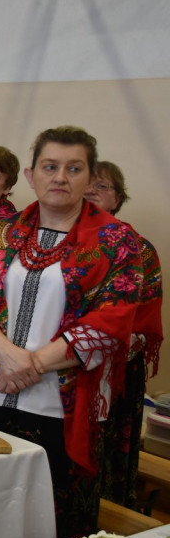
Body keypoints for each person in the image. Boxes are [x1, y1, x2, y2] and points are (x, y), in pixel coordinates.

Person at [0, 126, 142, 538]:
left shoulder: (117, 242)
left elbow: (113, 322)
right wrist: (6, 354)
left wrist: (32, 363)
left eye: (74, 168)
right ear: (29, 175)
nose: (60, 177)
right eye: (50, 166)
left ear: (91, 179)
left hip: (63, 407)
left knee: (51, 527)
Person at [85, 161, 162, 509]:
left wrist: (88, 351)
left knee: (102, 462)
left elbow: (142, 326)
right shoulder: (58, 241)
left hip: (112, 373)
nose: (90, 191)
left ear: (117, 199)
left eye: (101, 187)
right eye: (86, 184)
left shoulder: (139, 249)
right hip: (55, 368)